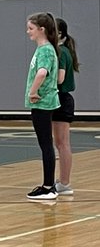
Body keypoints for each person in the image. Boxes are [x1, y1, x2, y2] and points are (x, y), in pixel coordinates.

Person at [24, 11, 60, 201]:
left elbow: (42, 72)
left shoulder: (45, 50)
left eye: (30, 28)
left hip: (42, 102)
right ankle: (48, 185)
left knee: (46, 144)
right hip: (43, 102)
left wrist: (33, 91)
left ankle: (48, 187)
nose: (27, 31)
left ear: (42, 29)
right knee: (45, 144)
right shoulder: (43, 49)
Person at [53, 17, 79, 196]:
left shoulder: (61, 52)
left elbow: (60, 79)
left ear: (59, 33)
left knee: (62, 144)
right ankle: (63, 181)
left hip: (61, 99)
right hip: (64, 100)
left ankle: (64, 182)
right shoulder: (65, 51)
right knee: (61, 143)